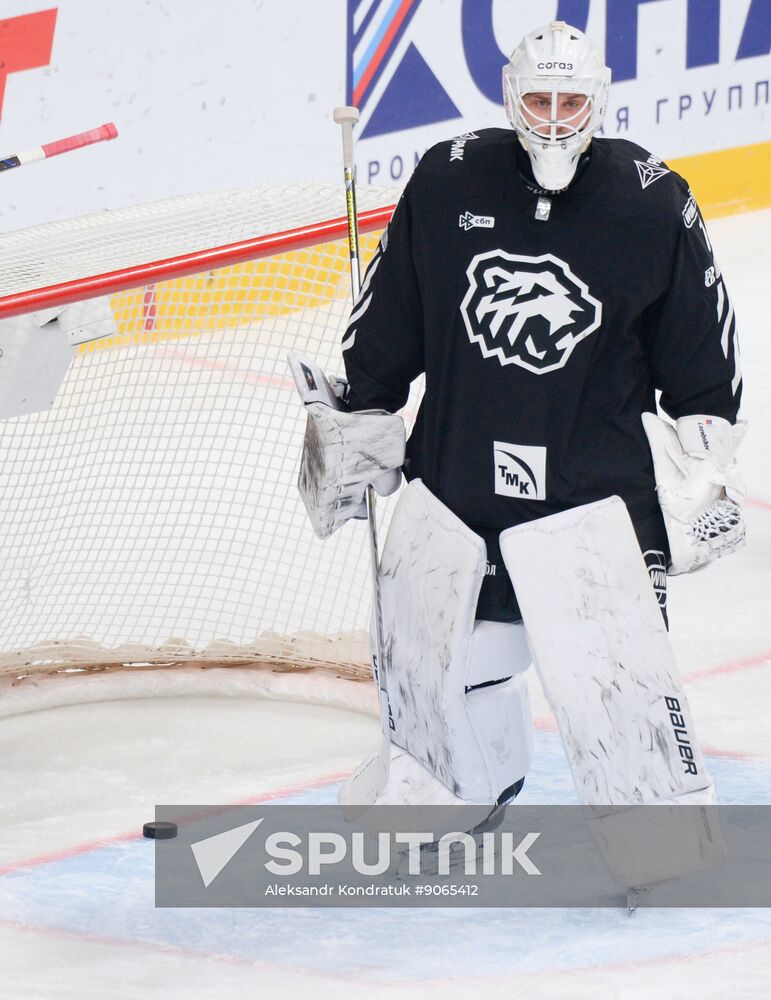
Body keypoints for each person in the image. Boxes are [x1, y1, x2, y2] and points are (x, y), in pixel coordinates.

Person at [297, 21, 745, 833]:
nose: (551, 117)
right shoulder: (445, 182)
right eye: (536, 98)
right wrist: (362, 409)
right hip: (459, 485)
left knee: (617, 688)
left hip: (594, 500)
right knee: (448, 671)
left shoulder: (650, 201)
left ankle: (656, 825)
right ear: (510, 98)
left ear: (596, 100)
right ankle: (456, 791)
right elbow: (390, 312)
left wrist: (704, 463)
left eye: (569, 100)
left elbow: (701, 354)